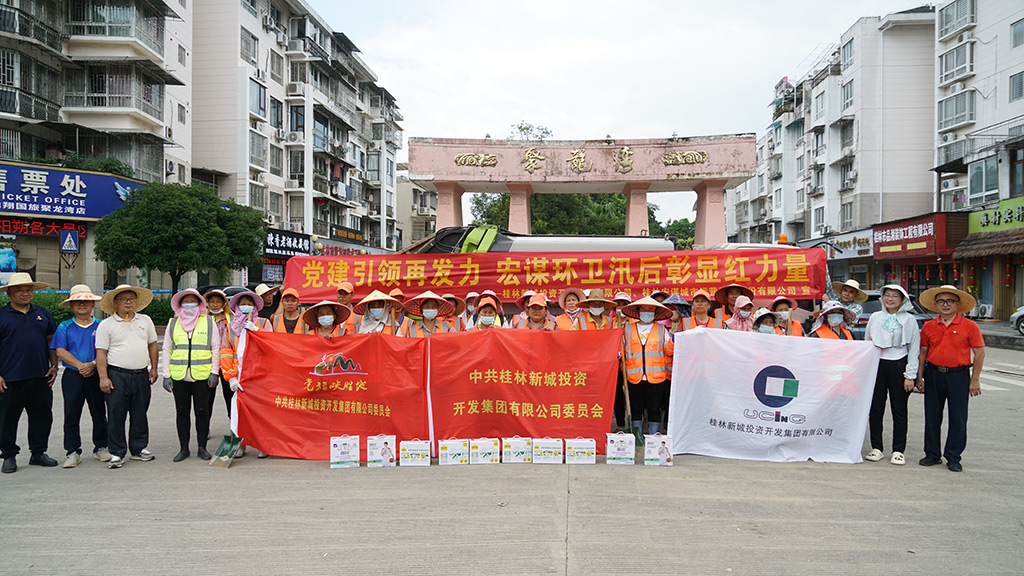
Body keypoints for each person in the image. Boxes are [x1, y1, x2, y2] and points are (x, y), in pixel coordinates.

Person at [916, 285, 984, 472]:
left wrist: (975, 380)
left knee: (958, 418)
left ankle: (953, 457)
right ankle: (932, 454)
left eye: (949, 301)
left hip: (959, 376)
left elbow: (979, 354)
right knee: (932, 416)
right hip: (933, 374)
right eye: (941, 301)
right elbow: (923, 353)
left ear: (958, 304)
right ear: (936, 304)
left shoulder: (970, 326)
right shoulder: (929, 326)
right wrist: (919, 377)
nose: (945, 305)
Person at [95, 284, 158, 469]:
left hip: (140, 374)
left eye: (131, 299)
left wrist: (154, 368)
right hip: (117, 374)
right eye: (124, 299)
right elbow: (101, 352)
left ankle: (138, 448)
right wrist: (103, 377)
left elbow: (152, 345)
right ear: (115, 302)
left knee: (140, 413)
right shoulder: (106, 325)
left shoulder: (145, 320)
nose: (128, 302)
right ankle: (117, 452)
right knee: (116, 414)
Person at [0, 273, 58, 474]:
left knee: (42, 416)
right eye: (19, 290)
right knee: (6, 419)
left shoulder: (42, 313)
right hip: (9, 378)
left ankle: (38, 452)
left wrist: (54, 365)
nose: (25, 293)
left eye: (28, 290)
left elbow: (51, 339)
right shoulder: (2, 315)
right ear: (9, 293)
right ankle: (9, 455)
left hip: (40, 376)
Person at [52, 285, 109, 468]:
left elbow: (107, 349)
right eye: (77, 302)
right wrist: (81, 366)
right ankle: (72, 451)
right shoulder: (64, 327)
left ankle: (101, 447)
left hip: (97, 374)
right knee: (71, 414)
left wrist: (92, 364)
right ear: (71, 305)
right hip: (73, 375)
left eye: (86, 301)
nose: (82, 304)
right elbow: (60, 351)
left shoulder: (101, 325)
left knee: (99, 412)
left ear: (92, 304)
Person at [863, 285, 920, 466]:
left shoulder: (909, 320)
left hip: (899, 364)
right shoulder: (875, 317)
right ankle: (876, 447)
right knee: (876, 409)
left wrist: (910, 375)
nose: (890, 299)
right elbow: (867, 343)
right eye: (887, 295)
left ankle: (898, 450)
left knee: (899, 410)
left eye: (895, 296)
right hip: (878, 365)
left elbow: (914, 349)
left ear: (902, 299)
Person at [161, 289, 220, 462]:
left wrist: (214, 372)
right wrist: (166, 375)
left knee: (202, 412)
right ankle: (183, 448)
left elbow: (216, 348)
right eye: (185, 301)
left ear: (199, 304)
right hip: (179, 377)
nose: (189, 304)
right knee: (182, 412)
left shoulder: (208, 322)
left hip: (202, 376)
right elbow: (166, 348)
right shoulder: (173, 323)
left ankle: (202, 447)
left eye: (192, 301)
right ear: (180, 305)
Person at [219, 290, 271, 458]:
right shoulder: (230, 327)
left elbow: (272, 346)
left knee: (261, 411)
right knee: (239, 411)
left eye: (250, 304)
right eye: (243, 304)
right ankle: (240, 444)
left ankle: (263, 444)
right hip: (239, 375)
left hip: (259, 374)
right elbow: (226, 352)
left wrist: (257, 331)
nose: (246, 306)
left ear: (255, 307)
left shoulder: (263, 323)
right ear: (237, 307)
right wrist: (231, 377)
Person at [619, 296, 674, 435]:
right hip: (633, 377)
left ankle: (653, 437)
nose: (647, 312)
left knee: (654, 409)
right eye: (643, 309)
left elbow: (668, 351)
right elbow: (621, 350)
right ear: (638, 311)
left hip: (657, 377)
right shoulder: (627, 329)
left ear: (655, 313)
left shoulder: (662, 330)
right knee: (635, 409)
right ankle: (637, 437)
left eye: (650, 310)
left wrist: (673, 342)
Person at [204, 289, 233, 422]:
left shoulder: (231, 318)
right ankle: (205, 426)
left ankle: (234, 425)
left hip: (227, 363)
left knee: (230, 395)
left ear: (224, 303)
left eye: (218, 302)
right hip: (209, 363)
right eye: (212, 302)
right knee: (207, 398)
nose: (215, 305)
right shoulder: (203, 319)